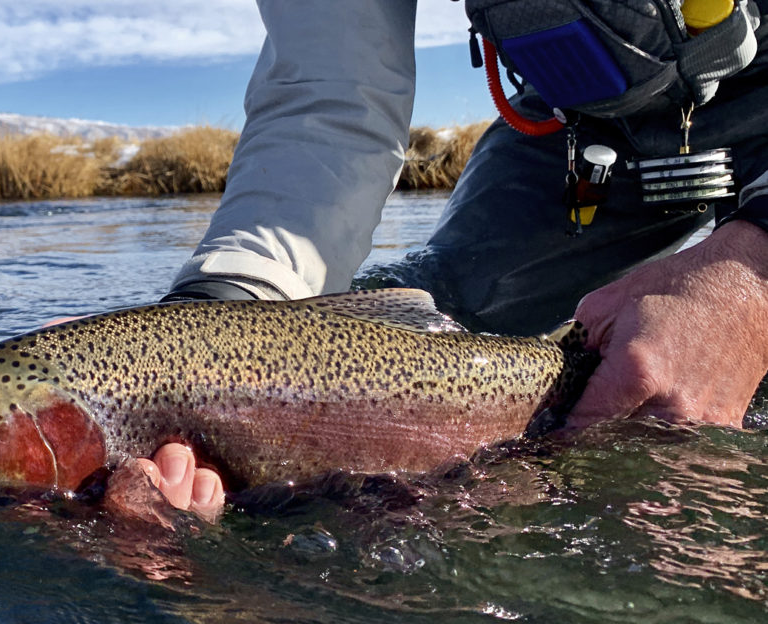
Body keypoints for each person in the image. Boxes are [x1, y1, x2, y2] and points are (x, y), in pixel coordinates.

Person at [137, 0, 768, 518]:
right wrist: (218, 309)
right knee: (443, 313)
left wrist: (748, 282)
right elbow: (327, 97)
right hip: (571, 125)